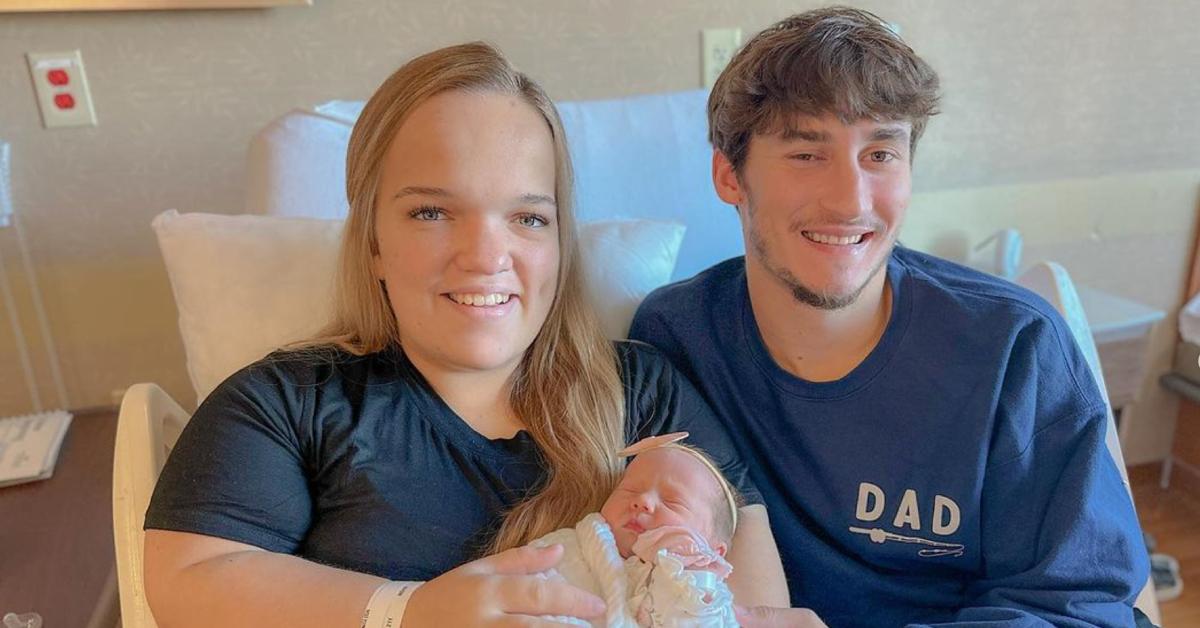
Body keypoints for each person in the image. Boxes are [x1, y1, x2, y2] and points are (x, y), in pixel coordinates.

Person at [141, 42, 787, 628]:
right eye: (432, 212)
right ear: (371, 240)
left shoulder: (643, 395)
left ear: (560, 241)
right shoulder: (292, 403)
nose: (485, 255)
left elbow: (748, 579)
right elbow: (185, 577)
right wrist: (410, 612)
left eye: (528, 218)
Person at [629, 7, 1149, 627]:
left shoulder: (1013, 349)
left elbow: (1084, 611)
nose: (851, 200)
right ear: (729, 175)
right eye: (805, 154)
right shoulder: (677, 338)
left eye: (880, 153)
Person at [527, 433, 742, 626]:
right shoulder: (569, 546)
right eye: (630, 490)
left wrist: (688, 574)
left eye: (672, 501)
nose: (643, 501)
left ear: (714, 552)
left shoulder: (709, 602)